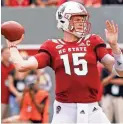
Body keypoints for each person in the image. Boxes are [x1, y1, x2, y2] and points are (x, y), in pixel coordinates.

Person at [5, 1, 123, 123]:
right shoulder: (52, 46)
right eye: (76, 19)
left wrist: (114, 46)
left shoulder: (92, 41)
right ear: (63, 20)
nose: (81, 23)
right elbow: (22, 66)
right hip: (65, 112)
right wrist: (12, 47)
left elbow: (120, 71)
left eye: (82, 19)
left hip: (92, 110)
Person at [8, 51, 29, 116]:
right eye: (22, 58)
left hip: (25, 97)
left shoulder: (29, 71)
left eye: (25, 58)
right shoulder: (12, 72)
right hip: (14, 97)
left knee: (25, 116)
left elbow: (29, 86)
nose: (23, 60)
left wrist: (22, 95)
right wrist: (18, 95)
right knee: (15, 115)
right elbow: (10, 85)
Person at [1, 47, 14, 119]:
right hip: (1, 99)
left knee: (9, 120)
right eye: (6, 53)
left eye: (9, 53)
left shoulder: (13, 67)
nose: (8, 55)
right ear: (2, 54)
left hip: (12, 100)